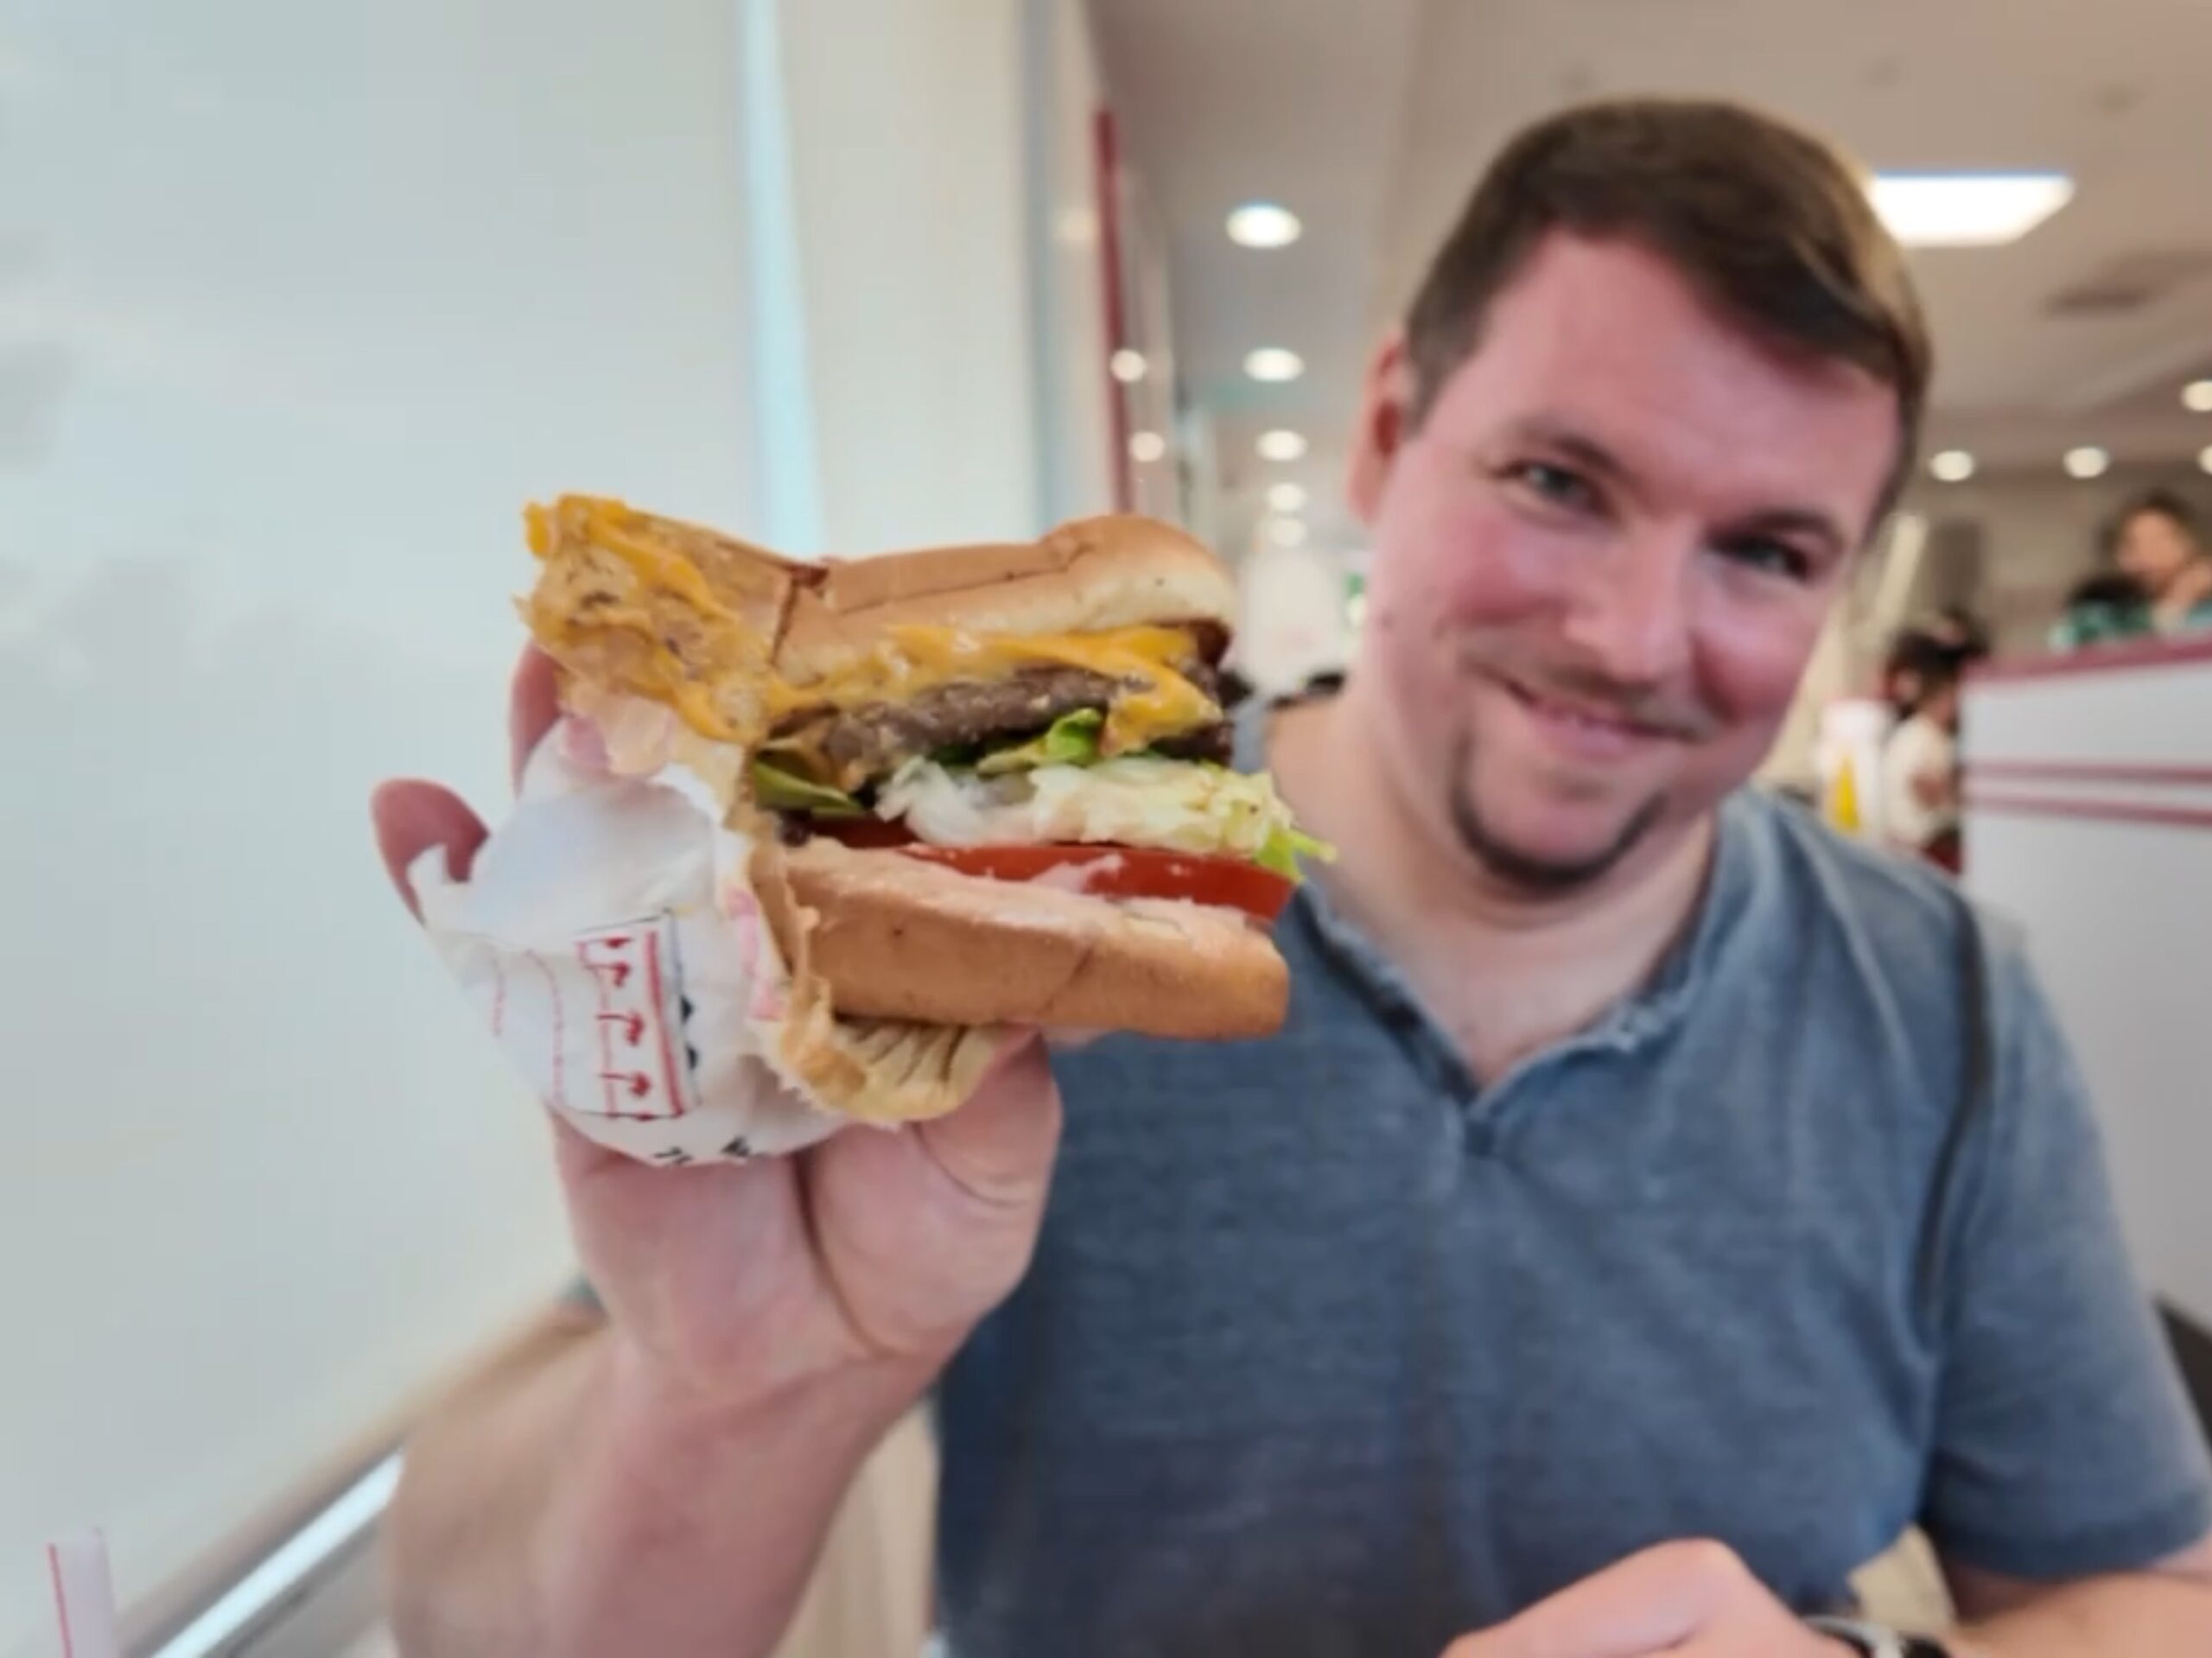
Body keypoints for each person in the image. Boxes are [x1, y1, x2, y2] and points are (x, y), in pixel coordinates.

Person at [370, 98, 2212, 1658]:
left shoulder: (1944, 1003)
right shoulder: (964, 980)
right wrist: (728, 1388)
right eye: (1560, 479)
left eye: (1764, 547)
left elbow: (2139, 1584)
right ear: (1386, 429)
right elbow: (459, 1609)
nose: (1630, 631)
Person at [2052, 490, 2212, 650]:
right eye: (2132, 545)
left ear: (2191, 544)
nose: (2146, 556)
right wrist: (2174, 606)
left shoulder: (2205, 615)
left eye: (2159, 542)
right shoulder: (2097, 618)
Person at [1880, 644, 1963, 873]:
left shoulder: (1916, 732)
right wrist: (1957, 797)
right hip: (1923, 842)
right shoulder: (1924, 737)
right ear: (1941, 698)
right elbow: (1921, 786)